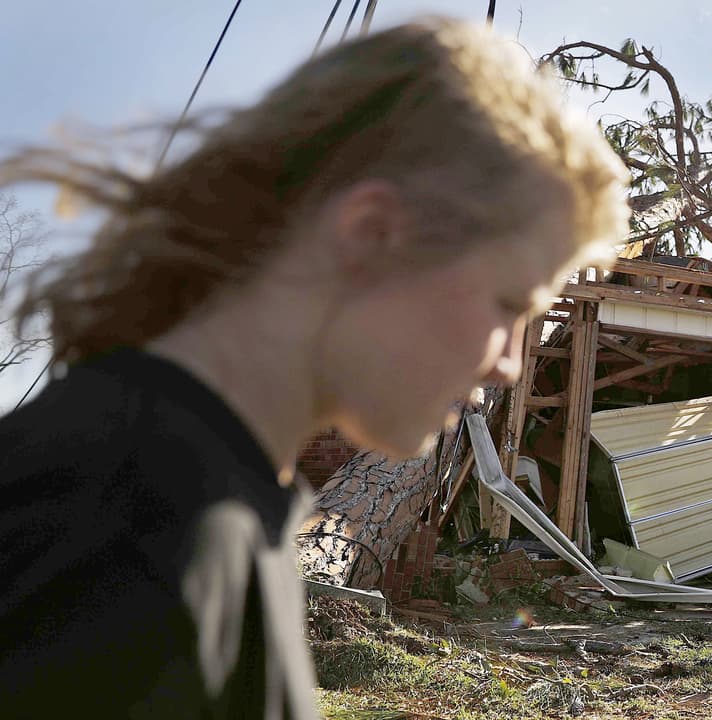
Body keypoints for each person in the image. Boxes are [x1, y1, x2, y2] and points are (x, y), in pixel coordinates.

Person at [0, 16, 629, 719]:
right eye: (510, 303)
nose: (512, 365)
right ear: (371, 234)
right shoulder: (129, 540)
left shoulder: (197, 500)